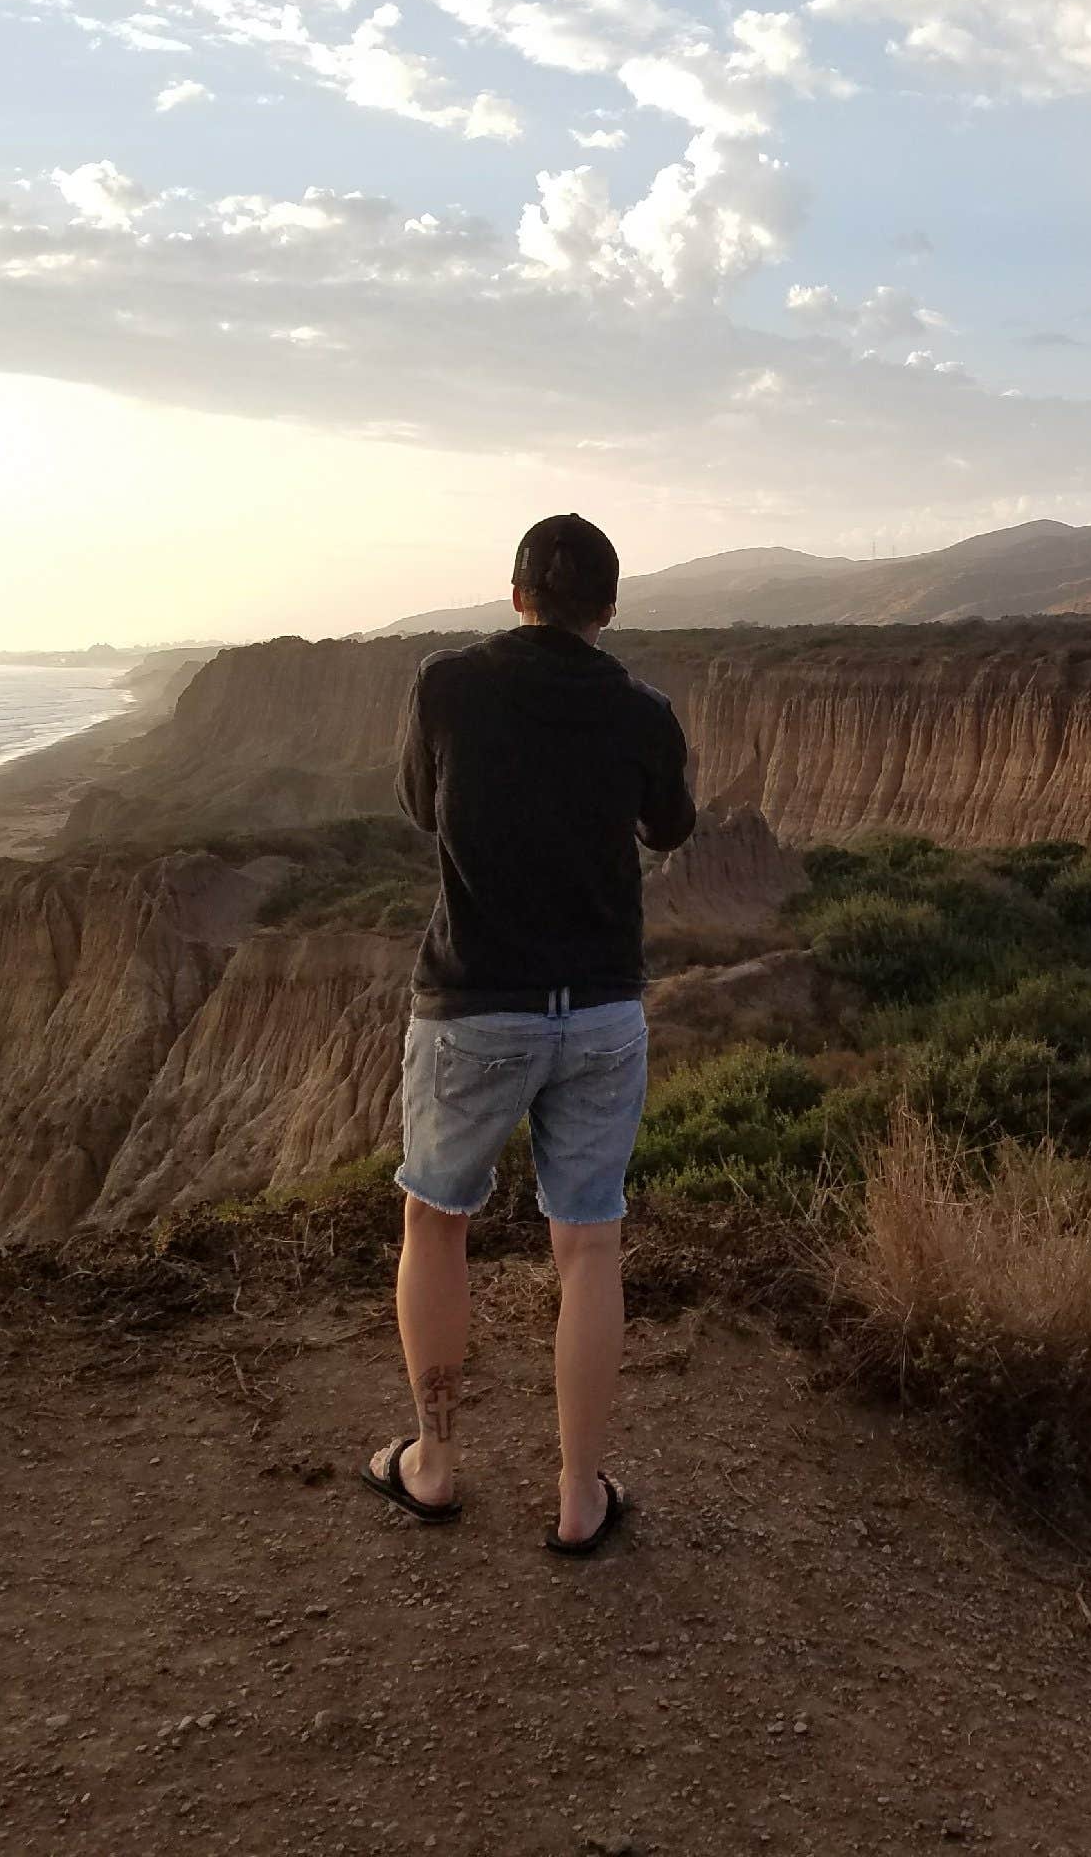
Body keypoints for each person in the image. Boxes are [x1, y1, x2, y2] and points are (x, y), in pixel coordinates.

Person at [358, 512, 696, 1555]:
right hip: (597, 1008)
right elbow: (670, 828)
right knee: (589, 1245)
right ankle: (579, 1496)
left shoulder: (445, 684)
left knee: (436, 1223)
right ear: (606, 609)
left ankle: (436, 1465)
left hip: (473, 1004)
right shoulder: (641, 708)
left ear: (516, 598)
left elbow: (423, 804)